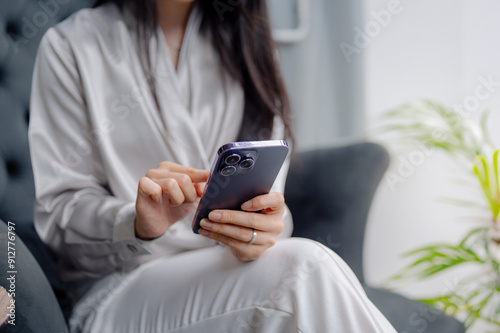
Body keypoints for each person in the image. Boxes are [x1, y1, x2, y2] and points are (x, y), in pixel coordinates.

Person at [28, 0, 396, 332]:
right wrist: (136, 223)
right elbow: (59, 210)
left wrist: (259, 233)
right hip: (120, 293)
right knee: (304, 267)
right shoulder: (72, 45)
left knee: (300, 267)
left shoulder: (245, 42)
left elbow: (270, 201)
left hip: (235, 271)